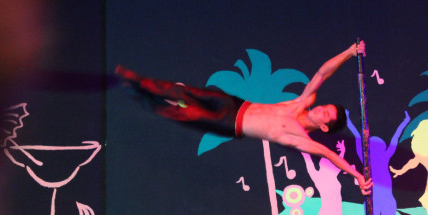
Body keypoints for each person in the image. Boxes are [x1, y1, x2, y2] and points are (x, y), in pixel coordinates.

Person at [116, 41, 372, 195]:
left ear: (324, 127)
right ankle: (139, 82)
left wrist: (357, 176)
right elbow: (322, 73)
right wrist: (349, 52)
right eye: (325, 106)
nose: (320, 109)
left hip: (229, 124)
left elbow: (330, 155)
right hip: (234, 104)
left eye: (325, 113)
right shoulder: (301, 102)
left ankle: (139, 95)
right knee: (185, 92)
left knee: (181, 112)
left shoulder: (300, 138)